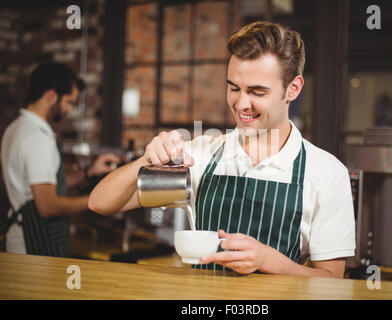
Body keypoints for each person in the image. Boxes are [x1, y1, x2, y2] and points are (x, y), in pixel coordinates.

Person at [88, 21, 355, 278]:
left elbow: (331, 280)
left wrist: (267, 260)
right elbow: (100, 203)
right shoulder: (201, 156)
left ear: (293, 89)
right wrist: (144, 160)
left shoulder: (326, 173)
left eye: (257, 92)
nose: (241, 104)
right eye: (234, 88)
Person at [1, 62, 121, 257]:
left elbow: (46, 181)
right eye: (69, 102)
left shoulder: (17, 127)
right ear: (51, 96)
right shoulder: (37, 137)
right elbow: (48, 206)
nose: (69, 110)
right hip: (34, 246)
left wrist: (88, 172)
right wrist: (95, 201)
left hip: (21, 240)